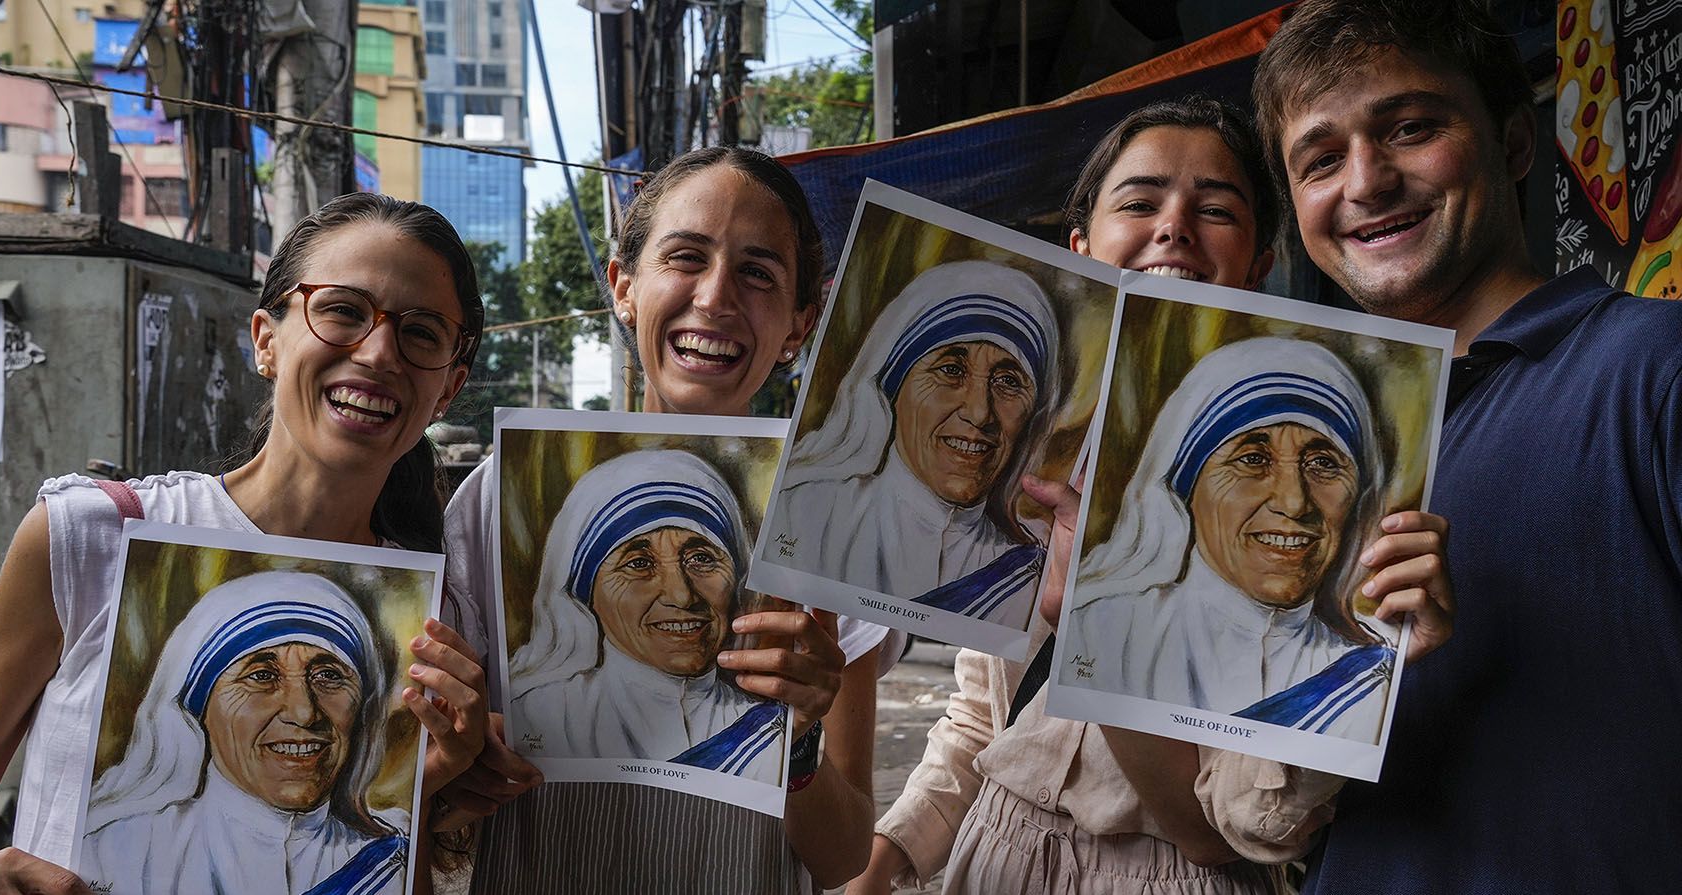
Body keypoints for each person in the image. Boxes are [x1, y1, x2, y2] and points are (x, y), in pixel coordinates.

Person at [850, 96, 1453, 895]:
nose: (1174, 227)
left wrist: (1095, 622)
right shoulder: (1015, 448)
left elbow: (1230, 829)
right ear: (1082, 246)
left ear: (1259, 264)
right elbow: (981, 720)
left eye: (1215, 208)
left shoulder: (1301, 489)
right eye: (1139, 202)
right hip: (988, 862)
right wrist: (884, 860)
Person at [0, 193, 493, 895]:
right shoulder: (95, 536)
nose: (379, 351)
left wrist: (432, 787)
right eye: (344, 310)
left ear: (448, 387)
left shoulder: (437, 621)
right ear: (266, 337)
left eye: (421, 332)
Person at [1252, 2, 1682, 891]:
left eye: (1410, 128)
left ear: (1516, 145)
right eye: (1320, 159)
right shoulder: (1313, 452)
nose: (1365, 181)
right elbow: (1252, 826)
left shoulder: (1654, 369)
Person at [438, 146, 904, 892]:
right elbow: (431, 804)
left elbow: (846, 854)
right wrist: (460, 769)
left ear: (799, 323)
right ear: (624, 288)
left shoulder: (831, 529)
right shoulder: (502, 501)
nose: (716, 297)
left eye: (758, 272)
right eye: (686, 257)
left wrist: (801, 738)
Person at [1064, 337, 1396, 742]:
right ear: (1185, 489)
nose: (1293, 503)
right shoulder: (1098, 632)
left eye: (1324, 463)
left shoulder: (1377, 676)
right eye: (1253, 459)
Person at [765, 260, 1059, 628]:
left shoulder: (1031, 573)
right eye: (951, 370)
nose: (980, 413)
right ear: (892, 389)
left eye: (1008, 381)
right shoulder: (806, 515)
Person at [80, 572, 411, 893]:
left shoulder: (398, 863)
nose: (304, 712)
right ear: (197, 708)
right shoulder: (114, 855)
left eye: (328, 674)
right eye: (262, 676)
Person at [508, 449, 786, 782]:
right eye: (639, 564)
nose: (681, 595)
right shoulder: (534, 720)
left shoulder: (773, 732)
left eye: (701, 558)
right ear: (585, 595)